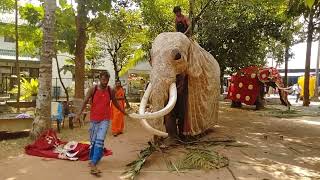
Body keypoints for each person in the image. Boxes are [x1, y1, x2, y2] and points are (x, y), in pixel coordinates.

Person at [75, 71, 126, 176]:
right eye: (103, 80)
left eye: (106, 80)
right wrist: (78, 114)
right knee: (93, 141)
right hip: (94, 119)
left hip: (105, 120)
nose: (105, 82)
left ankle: (93, 164)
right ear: (100, 79)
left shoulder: (110, 90)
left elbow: (115, 102)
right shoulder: (92, 89)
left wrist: (124, 111)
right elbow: (85, 101)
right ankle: (93, 158)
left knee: (100, 140)